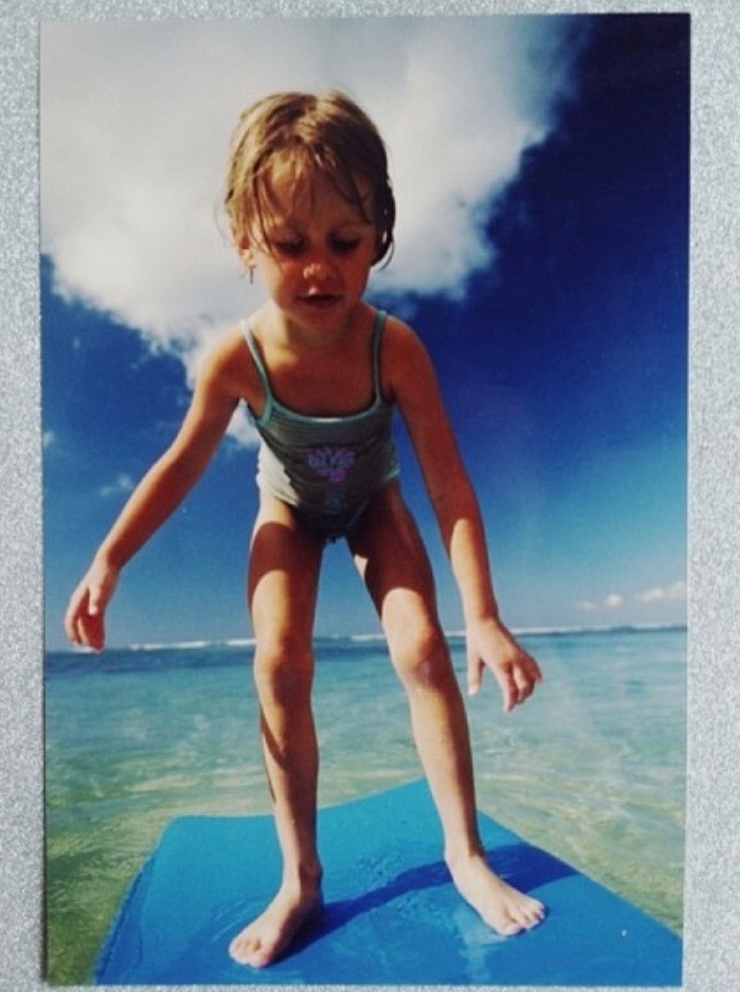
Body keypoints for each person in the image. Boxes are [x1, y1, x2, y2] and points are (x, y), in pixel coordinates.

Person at [64, 89, 547, 968]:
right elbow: (178, 464)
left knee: (421, 651)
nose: (318, 267)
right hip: (285, 511)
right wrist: (108, 559)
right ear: (246, 241)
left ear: (381, 240)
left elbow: (447, 482)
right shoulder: (235, 359)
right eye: (290, 244)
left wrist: (482, 613)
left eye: (344, 243)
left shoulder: (392, 348)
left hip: (374, 504)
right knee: (278, 662)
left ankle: (464, 853)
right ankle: (299, 877)